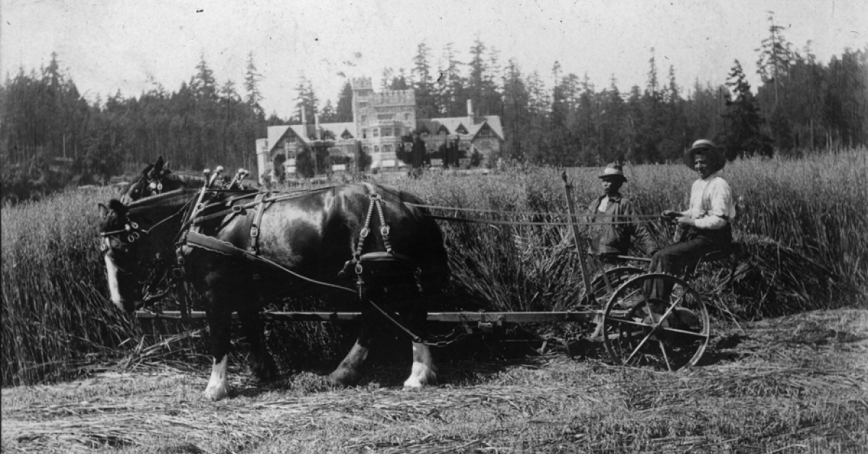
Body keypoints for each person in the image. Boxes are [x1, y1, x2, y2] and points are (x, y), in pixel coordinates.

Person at [647, 139, 736, 301]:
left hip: (715, 239)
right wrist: (679, 214)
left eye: (703, 162)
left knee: (668, 257)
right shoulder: (697, 184)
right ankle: (645, 302)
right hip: (698, 237)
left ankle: (658, 307)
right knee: (658, 255)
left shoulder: (719, 185)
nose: (699, 166)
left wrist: (691, 222)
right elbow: (695, 212)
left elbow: (719, 221)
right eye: (696, 163)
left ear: (713, 162)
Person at [587, 163, 658, 262]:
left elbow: (639, 228)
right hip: (593, 254)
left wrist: (653, 250)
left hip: (613, 255)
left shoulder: (624, 204)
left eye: (609, 180)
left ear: (618, 183)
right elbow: (583, 226)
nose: (605, 183)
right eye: (604, 180)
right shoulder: (596, 203)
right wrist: (564, 245)